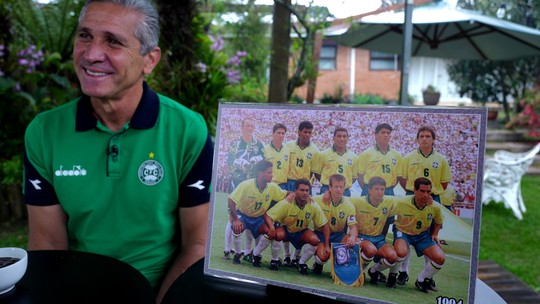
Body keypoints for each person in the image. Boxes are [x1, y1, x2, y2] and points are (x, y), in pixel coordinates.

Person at [22, 1, 213, 303]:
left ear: (149, 60)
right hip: (77, 291)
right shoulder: (45, 132)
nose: (92, 54)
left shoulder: (188, 131)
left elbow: (198, 244)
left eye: (113, 41)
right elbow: (47, 244)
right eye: (85, 36)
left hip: (163, 291)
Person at [398, 125, 452, 284]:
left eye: (428, 136)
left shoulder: (441, 159)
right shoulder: (408, 157)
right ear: (417, 139)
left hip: (432, 199)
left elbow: (444, 183)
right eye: (421, 136)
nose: (424, 139)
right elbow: (402, 179)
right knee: (406, 232)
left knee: (429, 237)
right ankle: (403, 271)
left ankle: (427, 277)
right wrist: (416, 194)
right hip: (411, 197)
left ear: (433, 139)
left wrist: (428, 195)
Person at [261, 179, 330, 275]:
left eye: (307, 190)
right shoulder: (287, 202)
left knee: (314, 239)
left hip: (300, 232)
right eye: (302, 190)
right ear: (296, 191)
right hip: (286, 230)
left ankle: (301, 263)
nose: (305, 193)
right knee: (278, 234)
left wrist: (326, 245)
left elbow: (325, 225)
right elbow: (268, 215)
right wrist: (272, 228)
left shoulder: (313, 205)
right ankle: (274, 260)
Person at [387, 178, 445, 292]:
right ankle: (392, 275)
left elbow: (438, 221)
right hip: (403, 232)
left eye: (428, 192)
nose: (426, 195)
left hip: (422, 235)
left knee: (440, 258)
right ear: (414, 190)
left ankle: (422, 280)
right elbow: (387, 214)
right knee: (401, 251)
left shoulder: (434, 206)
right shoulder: (402, 202)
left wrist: (434, 234)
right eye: (422, 191)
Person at [227, 160, 289, 265]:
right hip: (243, 216)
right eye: (269, 173)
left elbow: (286, 194)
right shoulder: (246, 185)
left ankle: (254, 254)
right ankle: (237, 254)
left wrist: (293, 195)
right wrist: (236, 220)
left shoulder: (272, 187)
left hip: (258, 218)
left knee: (270, 232)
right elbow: (231, 200)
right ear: (260, 173)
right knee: (237, 228)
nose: (272, 175)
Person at [224, 117, 264, 261]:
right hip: (237, 182)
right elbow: (229, 161)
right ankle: (227, 249)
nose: (250, 128)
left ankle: (246, 251)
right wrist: (241, 163)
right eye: (247, 125)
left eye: (252, 126)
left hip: (253, 184)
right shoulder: (235, 143)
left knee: (250, 215)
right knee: (233, 215)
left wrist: (256, 160)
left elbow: (264, 161)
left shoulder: (259, 144)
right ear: (242, 127)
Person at [350, 177, 398, 286]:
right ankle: (359, 271)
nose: (380, 192)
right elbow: (342, 200)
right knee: (370, 250)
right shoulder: (358, 201)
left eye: (382, 189)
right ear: (369, 190)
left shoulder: (389, 201)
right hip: (362, 237)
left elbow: (406, 201)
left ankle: (373, 271)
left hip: (378, 239)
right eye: (376, 189)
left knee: (392, 256)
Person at [311, 174, 358, 275]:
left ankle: (347, 269)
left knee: (357, 243)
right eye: (336, 187)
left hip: (338, 235)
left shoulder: (349, 205)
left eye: (341, 187)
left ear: (344, 188)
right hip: (321, 234)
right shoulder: (318, 200)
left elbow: (353, 227)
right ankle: (318, 264)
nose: (339, 190)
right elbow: (304, 199)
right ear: (330, 187)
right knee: (322, 258)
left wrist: (353, 237)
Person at [357, 123, 403, 196]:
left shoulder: (397, 155)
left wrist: (388, 188)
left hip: (388, 190)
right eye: (383, 132)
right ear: (376, 135)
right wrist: (368, 189)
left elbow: (398, 177)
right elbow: (360, 176)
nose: (386, 135)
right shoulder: (366, 154)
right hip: (369, 190)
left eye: (388, 133)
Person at [315, 127, 358, 197]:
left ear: (347, 139)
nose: (342, 139)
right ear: (333, 138)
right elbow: (317, 174)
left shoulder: (354, 157)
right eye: (339, 136)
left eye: (344, 136)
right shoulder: (323, 154)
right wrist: (330, 185)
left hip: (345, 191)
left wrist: (342, 185)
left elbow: (354, 177)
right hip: (327, 190)